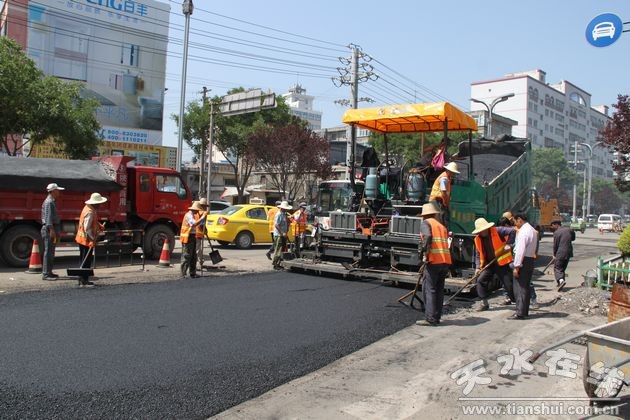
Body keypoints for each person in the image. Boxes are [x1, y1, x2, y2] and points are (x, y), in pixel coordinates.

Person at [415, 202, 452, 326]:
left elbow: (427, 236)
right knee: (439, 289)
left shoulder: (426, 223)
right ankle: (437, 317)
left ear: (424, 215)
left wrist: (424, 254)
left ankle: (430, 318)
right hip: (445, 261)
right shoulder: (441, 226)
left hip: (434, 261)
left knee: (429, 289)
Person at [471, 217, 516, 311]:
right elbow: (478, 254)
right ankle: (484, 303)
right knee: (480, 281)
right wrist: (477, 267)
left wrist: (509, 244)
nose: (482, 232)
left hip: (501, 263)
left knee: (508, 284)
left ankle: (516, 301)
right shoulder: (477, 239)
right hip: (489, 264)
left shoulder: (498, 231)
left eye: (484, 229)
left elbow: (512, 231)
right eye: (480, 231)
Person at [75, 192, 108, 287]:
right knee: (86, 261)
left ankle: (83, 279)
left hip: (83, 239)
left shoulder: (89, 208)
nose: (100, 205)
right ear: (95, 203)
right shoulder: (89, 212)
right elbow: (87, 228)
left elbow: (93, 222)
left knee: (84, 259)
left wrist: (99, 225)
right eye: (99, 203)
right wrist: (91, 240)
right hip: (85, 240)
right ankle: (83, 280)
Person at [510, 212, 538, 319]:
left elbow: (520, 251)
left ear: (519, 219)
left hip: (523, 261)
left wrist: (516, 267)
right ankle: (524, 311)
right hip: (530, 260)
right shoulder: (532, 230)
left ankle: (520, 312)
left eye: (515, 221)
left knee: (519, 288)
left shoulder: (523, 232)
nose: (515, 224)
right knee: (525, 287)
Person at [41, 183, 65, 281]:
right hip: (49, 230)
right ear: (53, 191)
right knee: (48, 252)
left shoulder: (51, 201)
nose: (59, 192)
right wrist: (51, 230)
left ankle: (49, 272)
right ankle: (46, 274)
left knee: (51, 252)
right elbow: (48, 218)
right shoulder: (49, 202)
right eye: (57, 190)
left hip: (51, 229)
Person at [180, 201, 207, 278]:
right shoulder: (188, 215)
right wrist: (202, 217)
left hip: (192, 237)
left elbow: (198, 224)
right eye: (197, 210)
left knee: (193, 257)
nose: (198, 212)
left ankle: (192, 273)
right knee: (187, 256)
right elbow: (194, 224)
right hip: (187, 238)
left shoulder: (193, 215)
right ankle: (183, 273)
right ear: (194, 209)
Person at [429, 161, 459, 226]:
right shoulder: (444, 178)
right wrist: (446, 203)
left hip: (438, 200)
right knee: (440, 220)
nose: (454, 174)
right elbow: (443, 192)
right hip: (436, 201)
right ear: (449, 171)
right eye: (453, 172)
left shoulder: (447, 178)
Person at [550, 217, 574, 291]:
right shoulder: (568, 230)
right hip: (568, 252)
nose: (552, 227)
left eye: (552, 225)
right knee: (562, 268)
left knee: (557, 267)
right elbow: (573, 238)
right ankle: (560, 283)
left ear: (556, 224)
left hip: (561, 252)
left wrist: (554, 254)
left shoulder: (556, 233)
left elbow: (555, 245)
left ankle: (561, 280)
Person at [272, 201, 292, 270]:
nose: (286, 210)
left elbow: (286, 223)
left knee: (282, 249)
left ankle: (279, 263)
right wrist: (282, 232)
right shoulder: (279, 214)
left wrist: (288, 222)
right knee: (278, 249)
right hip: (279, 235)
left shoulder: (284, 214)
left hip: (283, 234)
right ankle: (275, 264)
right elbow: (276, 225)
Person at [195, 198, 209, 269]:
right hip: (199, 233)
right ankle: (199, 263)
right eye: (205, 206)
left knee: (196, 249)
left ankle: (198, 264)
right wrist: (205, 230)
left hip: (194, 233)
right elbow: (201, 225)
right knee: (198, 250)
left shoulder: (196, 212)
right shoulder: (204, 213)